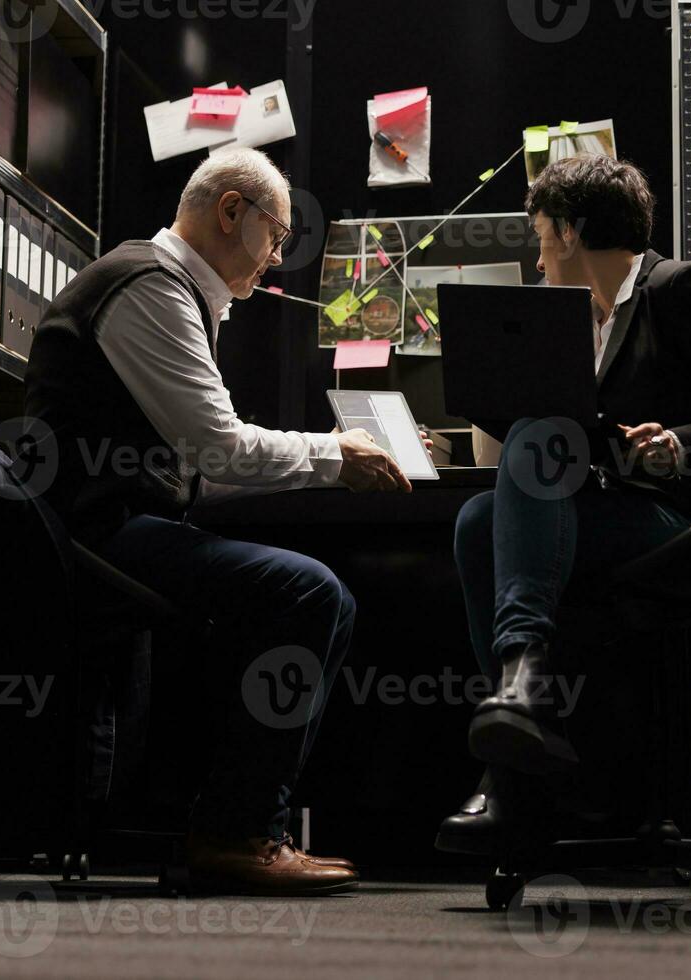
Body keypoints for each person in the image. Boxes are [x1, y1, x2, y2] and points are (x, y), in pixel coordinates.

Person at [26, 148, 411, 895]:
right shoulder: (151, 287)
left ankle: (235, 822)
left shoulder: (170, 291)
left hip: (114, 522)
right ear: (232, 212)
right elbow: (219, 448)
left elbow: (193, 469)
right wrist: (334, 456)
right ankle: (237, 832)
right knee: (311, 594)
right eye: (277, 236)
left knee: (313, 591)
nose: (275, 259)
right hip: (89, 535)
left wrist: (334, 462)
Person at [436, 154, 691, 853]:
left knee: (533, 444)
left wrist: (680, 442)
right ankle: (520, 733)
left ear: (568, 232)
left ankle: (516, 745)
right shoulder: (583, 328)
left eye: (540, 240)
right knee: (477, 520)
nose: (538, 264)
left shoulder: (678, 287)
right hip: (623, 513)